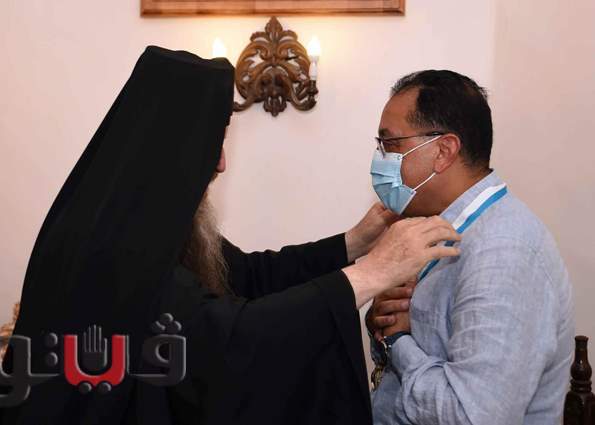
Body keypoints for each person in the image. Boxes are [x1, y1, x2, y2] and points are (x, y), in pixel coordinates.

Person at [0, 46, 461, 425]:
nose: (221, 162)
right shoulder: (118, 244)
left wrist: (355, 242)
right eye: (214, 141)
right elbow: (229, 339)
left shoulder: (143, 216)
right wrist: (371, 274)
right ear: (176, 145)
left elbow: (247, 275)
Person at [366, 70, 575, 424]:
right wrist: (383, 323)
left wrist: (399, 340)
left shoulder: (504, 251)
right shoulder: (442, 226)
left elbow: (472, 415)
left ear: (443, 151)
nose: (380, 158)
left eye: (391, 145)